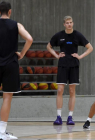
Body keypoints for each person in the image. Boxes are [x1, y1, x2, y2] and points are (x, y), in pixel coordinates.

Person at [47, 16, 93, 125]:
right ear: (64, 24)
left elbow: (90, 47)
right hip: (62, 64)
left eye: (71, 22)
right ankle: (58, 117)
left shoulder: (77, 35)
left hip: (74, 65)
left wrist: (80, 56)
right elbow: (49, 46)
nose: (69, 24)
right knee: (60, 90)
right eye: (67, 23)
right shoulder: (59, 35)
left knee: (72, 91)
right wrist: (56, 55)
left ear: (73, 23)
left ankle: (70, 117)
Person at [0, 1, 33, 139]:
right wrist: (22, 54)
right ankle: (1, 132)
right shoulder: (16, 25)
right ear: (10, 11)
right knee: (7, 97)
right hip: (10, 64)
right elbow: (29, 39)